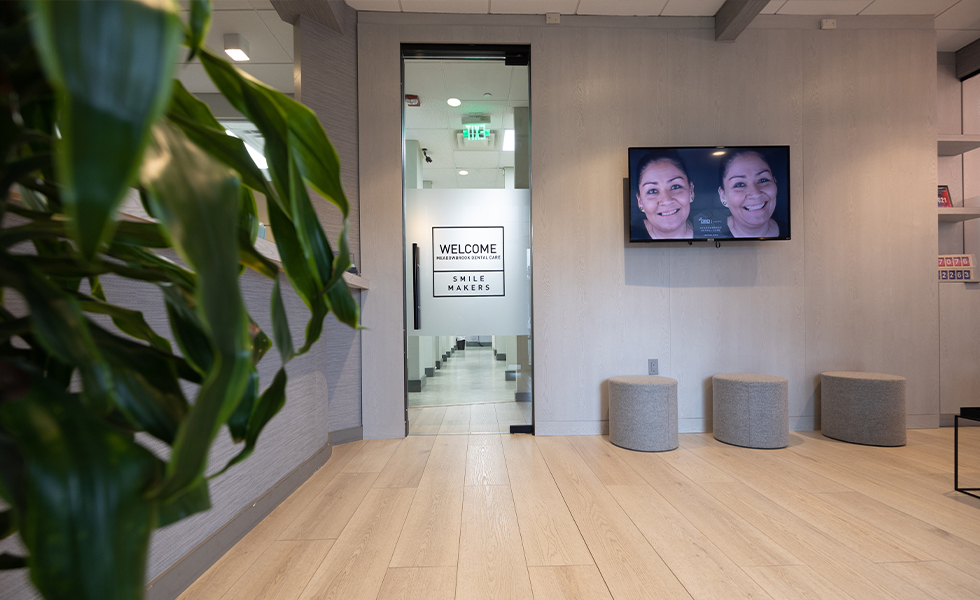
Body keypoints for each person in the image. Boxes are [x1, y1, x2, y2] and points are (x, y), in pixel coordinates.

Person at [632, 149, 695, 240]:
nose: (666, 200)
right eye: (652, 191)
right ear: (640, 201)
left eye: (675, 186)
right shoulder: (633, 233)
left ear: (691, 191)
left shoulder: (711, 231)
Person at [717, 150, 780, 238]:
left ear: (775, 183)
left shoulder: (795, 232)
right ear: (723, 196)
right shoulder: (709, 232)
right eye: (739, 184)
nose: (755, 194)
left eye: (763, 180)